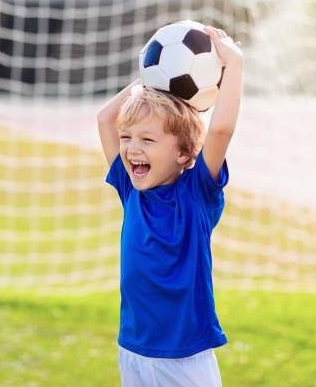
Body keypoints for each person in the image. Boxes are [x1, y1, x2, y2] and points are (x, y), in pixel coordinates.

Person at [97, 25, 243, 387]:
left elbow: (221, 129)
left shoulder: (195, 196)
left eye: (148, 139)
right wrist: (148, 81)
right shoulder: (132, 192)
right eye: (128, 137)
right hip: (132, 351)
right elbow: (104, 119)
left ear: (183, 154)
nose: (132, 149)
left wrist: (235, 64)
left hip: (185, 359)